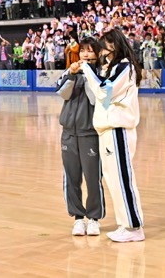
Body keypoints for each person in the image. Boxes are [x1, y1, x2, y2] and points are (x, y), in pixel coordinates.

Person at [81, 29, 145, 242]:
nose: (101, 52)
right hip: (108, 130)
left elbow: (103, 91)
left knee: (122, 178)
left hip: (118, 129)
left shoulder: (125, 66)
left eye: (105, 47)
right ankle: (125, 224)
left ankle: (134, 227)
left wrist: (86, 68)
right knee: (113, 179)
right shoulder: (113, 68)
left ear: (115, 46)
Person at [57, 37, 104, 237]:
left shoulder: (102, 74)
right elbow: (63, 94)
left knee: (93, 178)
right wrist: (71, 74)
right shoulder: (71, 71)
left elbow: (95, 98)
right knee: (71, 178)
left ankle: (94, 218)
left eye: (90, 50)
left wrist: (89, 75)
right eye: (83, 50)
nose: (85, 54)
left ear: (98, 54)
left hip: (90, 133)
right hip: (68, 133)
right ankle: (78, 218)